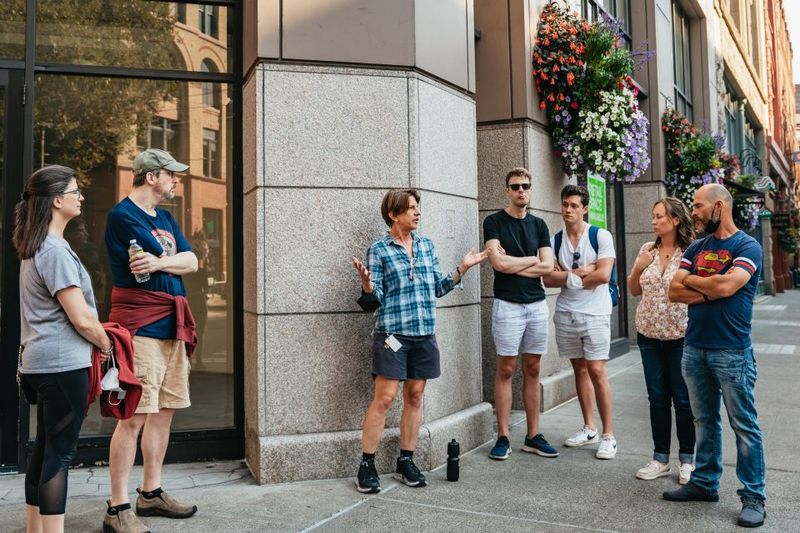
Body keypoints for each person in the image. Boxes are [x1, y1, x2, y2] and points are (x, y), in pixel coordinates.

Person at [351, 189, 488, 493]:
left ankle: (405, 461)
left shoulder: (426, 246)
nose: (417, 212)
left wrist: (462, 268)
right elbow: (375, 300)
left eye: (417, 207)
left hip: (424, 334)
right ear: (393, 214)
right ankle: (367, 465)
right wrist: (367, 286)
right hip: (393, 336)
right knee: (384, 398)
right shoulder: (380, 250)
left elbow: (437, 288)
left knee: (414, 396)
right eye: (410, 208)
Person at [103, 149, 199, 533]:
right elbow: (158, 256)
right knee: (133, 417)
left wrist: (162, 264)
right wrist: (166, 260)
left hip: (171, 326)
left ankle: (150, 492)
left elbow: (190, 261)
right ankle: (117, 508)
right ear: (151, 176)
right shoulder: (123, 216)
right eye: (171, 175)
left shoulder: (167, 217)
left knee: (164, 412)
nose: (177, 180)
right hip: (140, 327)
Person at [14, 165, 113, 533]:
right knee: (58, 457)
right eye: (76, 192)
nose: (81, 197)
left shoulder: (35, 245)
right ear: (57, 200)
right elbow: (82, 318)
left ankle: (33, 529)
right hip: (63, 365)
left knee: (42, 451)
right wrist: (106, 345)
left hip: (41, 364)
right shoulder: (53, 249)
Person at [664, 184, 766, 528]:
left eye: (697, 206)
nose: (693, 212)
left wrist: (700, 283)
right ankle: (705, 484)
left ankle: (754, 497)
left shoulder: (747, 245)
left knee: (744, 425)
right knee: (703, 421)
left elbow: (729, 286)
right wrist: (712, 289)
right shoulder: (696, 246)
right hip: (694, 347)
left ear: (719, 207)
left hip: (732, 350)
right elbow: (673, 290)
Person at [483, 168, 558, 460]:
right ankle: (502, 436)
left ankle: (533, 435)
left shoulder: (539, 225)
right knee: (505, 369)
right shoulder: (493, 222)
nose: (521, 191)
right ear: (507, 190)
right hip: (508, 305)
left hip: (536, 305)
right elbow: (498, 265)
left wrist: (514, 261)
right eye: (515, 186)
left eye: (526, 186)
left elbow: (547, 267)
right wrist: (531, 259)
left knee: (534, 369)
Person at [543, 184, 617, 459]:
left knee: (597, 370)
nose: (568, 210)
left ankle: (608, 435)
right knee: (579, 370)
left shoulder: (600, 236)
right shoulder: (556, 240)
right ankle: (589, 427)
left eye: (574, 205)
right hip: (566, 313)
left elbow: (604, 276)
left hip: (596, 312)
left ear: (584, 208)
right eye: (565, 204)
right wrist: (583, 272)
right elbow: (547, 279)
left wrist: (569, 275)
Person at [627, 198, 696, 484]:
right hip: (648, 335)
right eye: (653, 216)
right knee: (657, 398)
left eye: (659, 217)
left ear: (676, 220)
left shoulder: (692, 251)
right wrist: (639, 267)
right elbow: (633, 290)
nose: (654, 221)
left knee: (682, 399)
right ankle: (660, 459)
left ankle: (688, 461)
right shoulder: (647, 250)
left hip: (681, 335)